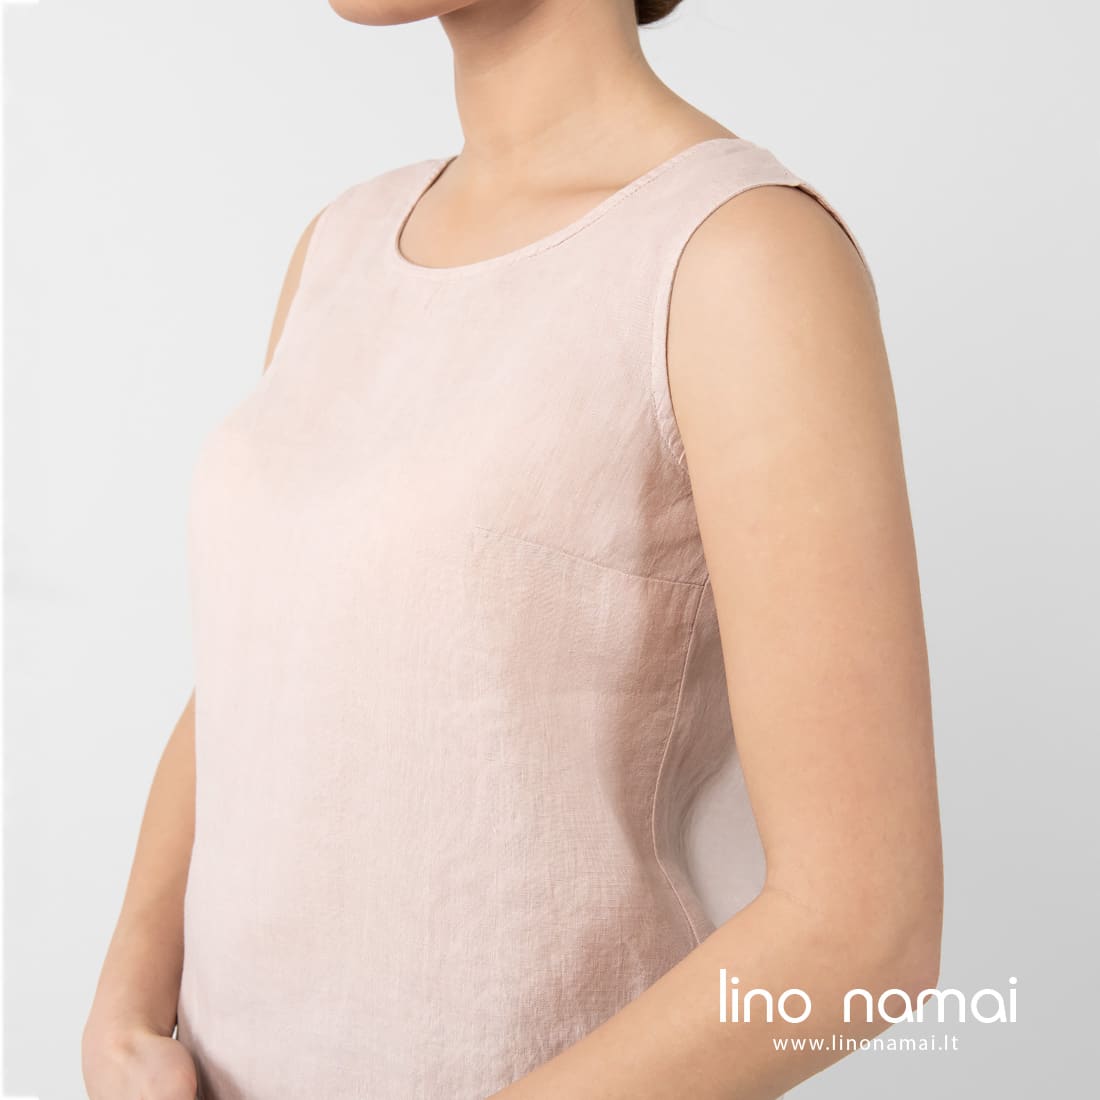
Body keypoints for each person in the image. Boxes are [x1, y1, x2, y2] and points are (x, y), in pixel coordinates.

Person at [81, 1, 943, 1098]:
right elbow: (268, 669)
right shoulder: (340, 243)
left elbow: (861, 934)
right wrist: (125, 1004)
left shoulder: (736, 256)